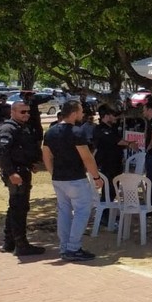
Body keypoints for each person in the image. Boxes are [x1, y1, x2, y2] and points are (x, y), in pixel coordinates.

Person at [41, 101, 102, 262]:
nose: (82, 114)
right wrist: (96, 177)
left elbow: (46, 156)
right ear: (74, 113)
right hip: (76, 178)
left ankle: (64, 247)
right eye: (81, 111)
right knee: (82, 211)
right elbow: (87, 157)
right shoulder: (77, 132)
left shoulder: (50, 132)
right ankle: (73, 247)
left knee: (64, 212)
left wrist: (53, 173)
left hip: (59, 179)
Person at [0, 101, 46, 256]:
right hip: (15, 174)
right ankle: (21, 244)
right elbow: (2, 153)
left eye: (28, 112)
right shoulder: (8, 128)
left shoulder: (21, 128)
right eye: (22, 112)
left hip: (22, 170)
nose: (26, 114)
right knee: (19, 208)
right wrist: (11, 173)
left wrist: (30, 165)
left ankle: (9, 242)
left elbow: (21, 150)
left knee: (16, 207)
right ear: (13, 112)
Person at [92, 104, 136, 201]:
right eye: (112, 115)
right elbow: (116, 141)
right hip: (106, 163)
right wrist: (129, 144)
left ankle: (110, 212)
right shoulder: (101, 129)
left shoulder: (112, 128)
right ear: (106, 116)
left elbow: (119, 143)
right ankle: (106, 213)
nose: (114, 117)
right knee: (108, 189)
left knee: (113, 189)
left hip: (116, 163)